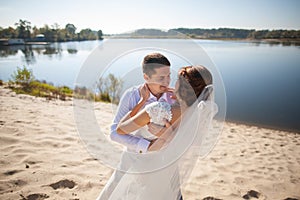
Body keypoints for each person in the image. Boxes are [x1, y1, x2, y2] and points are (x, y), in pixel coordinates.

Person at [98, 65, 214, 200]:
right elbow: (190, 144)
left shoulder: (159, 109)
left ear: (182, 86)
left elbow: (120, 129)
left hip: (144, 167)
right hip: (168, 171)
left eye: (174, 78)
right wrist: (170, 136)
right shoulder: (199, 113)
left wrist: (142, 102)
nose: (169, 82)